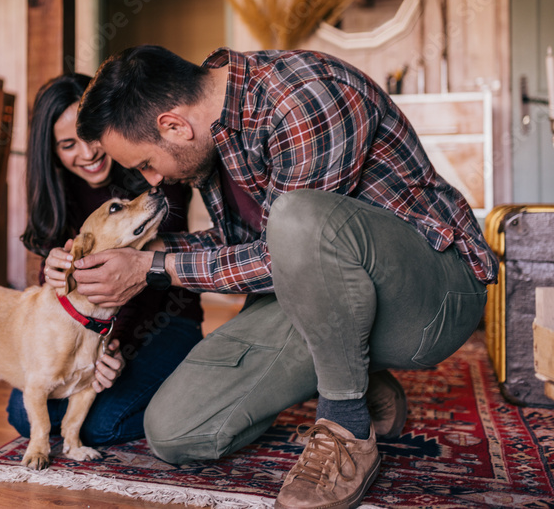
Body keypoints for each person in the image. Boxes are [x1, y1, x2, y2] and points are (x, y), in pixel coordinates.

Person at [71, 45, 497, 509]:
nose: (153, 181)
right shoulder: (214, 135)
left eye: (146, 165)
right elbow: (246, 250)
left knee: (295, 218)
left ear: (175, 126)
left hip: (434, 296)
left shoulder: (304, 95)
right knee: (175, 430)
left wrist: (158, 269)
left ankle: (346, 425)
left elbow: (286, 249)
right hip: (323, 297)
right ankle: (364, 379)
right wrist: (136, 255)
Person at [6, 72, 204, 446]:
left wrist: (115, 344)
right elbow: (55, 296)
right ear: (52, 152)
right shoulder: (56, 191)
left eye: (91, 135)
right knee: (25, 413)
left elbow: (151, 281)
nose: (87, 153)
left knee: (101, 425)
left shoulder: (154, 167)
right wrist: (51, 273)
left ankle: (197, 396)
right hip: (83, 333)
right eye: (67, 145)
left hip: (162, 319)